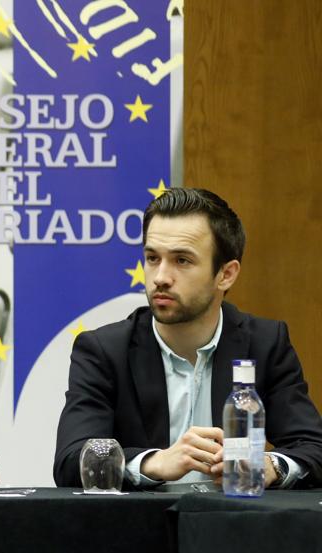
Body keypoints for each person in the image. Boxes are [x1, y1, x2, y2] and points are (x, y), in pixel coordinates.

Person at [55, 187, 322, 489]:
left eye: (182, 260)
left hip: (236, 516)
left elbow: (314, 448)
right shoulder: (105, 351)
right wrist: (153, 463)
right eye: (152, 258)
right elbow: (70, 461)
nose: (160, 277)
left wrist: (271, 466)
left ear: (226, 274)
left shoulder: (265, 343)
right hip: (141, 519)